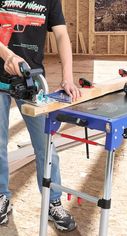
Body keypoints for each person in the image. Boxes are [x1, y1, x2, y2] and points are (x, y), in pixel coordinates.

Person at [0, 0, 80, 232]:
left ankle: (53, 201)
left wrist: (68, 76)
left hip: (31, 81)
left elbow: (62, 35)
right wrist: (8, 55)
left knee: (46, 145)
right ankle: (2, 196)